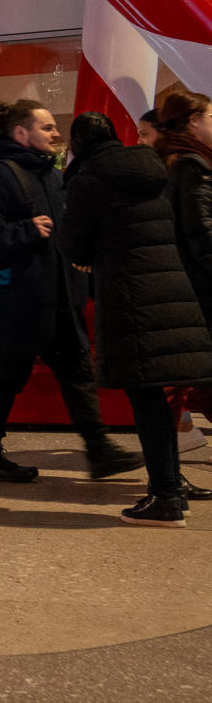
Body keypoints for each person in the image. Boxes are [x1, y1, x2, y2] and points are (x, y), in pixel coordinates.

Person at [0, 100, 141, 483]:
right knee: (9, 378)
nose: (56, 133)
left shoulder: (50, 174)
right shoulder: (0, 175)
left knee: (74, 373)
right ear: (21, 134)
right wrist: (23, 230)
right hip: (20, 300)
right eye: (46, 127)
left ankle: (97, 448)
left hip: (55, 296)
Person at [63, 111, 212, 525]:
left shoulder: (87, 179)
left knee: (145, 400)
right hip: (173, 290)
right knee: (160, 400)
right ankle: (170, 486)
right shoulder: (153, 167)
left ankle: (165, 498)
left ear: (78, 147)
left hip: (130, 295)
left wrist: (89, 259)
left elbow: (73, 243)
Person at [155, 93, 212, 460]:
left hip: (185, 289)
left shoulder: (178, 161)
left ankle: (173, 457)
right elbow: (202, 234)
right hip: (199, 290)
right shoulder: (192, 166)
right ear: (193, 121)